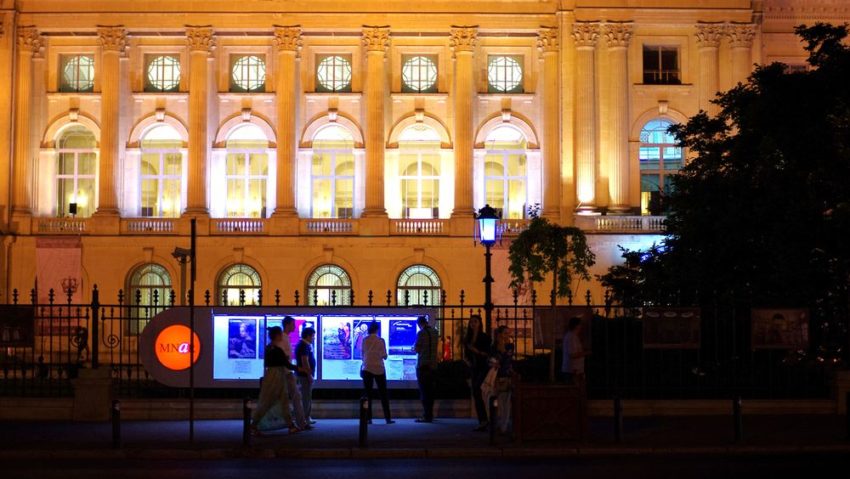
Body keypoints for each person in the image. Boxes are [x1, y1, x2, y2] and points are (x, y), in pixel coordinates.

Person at [250, 326, 299, 435]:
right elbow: (287, 365)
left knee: (279, 400)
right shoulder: (277, 350)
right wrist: (300, 368)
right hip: (277, 376)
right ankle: (253, 426)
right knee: (272, 401)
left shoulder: (268, 348)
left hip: (271, 375)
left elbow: (268, 363)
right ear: (277, 335)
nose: (282, 336)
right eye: (280, 334)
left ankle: (290, 425)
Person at [361, 321, 395, 424]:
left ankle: (368, 418)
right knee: (383, 394)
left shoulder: (364, 340)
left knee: (368, 394)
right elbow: (384, 356)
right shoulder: (381, 340)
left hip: (367, 368)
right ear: (377, 330)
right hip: (379, 369)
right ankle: (387, 418)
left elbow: (362, 354)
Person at [463, 314, 491, 431]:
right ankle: (483, 420)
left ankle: (484, 420)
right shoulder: (468, 338)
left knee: (476, 389)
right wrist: (467, 361)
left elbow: (487, 353)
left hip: (483, 366)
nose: (473, 324)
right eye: (471, 322)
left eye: (475, 322)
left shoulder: (484, 337)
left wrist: (476, 351)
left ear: (480, 323)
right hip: (473, 367)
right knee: (475, 392)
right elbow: (466, 354)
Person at [281, 316, 310, 430]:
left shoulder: (286, 337)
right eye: (293, 324)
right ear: (288, 325)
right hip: (284, 372)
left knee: (295, 396)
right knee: (292, 397)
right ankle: (297, 423)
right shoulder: (283, 338)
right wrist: (298, 368)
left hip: (288, 372)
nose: (295, 326)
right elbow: (283, 357)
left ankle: (299, 423)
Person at [413, 315, 439, 423]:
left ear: (419, 324)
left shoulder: (421, 333)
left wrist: (414, 347)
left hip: (423, 366)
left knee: (424, 392)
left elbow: (417, 349)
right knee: (431, 392)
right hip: (433, 366)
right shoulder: (435, 332)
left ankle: (426, 416)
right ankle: (430, 414)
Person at [491, 325, 514, 434]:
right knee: (497, 403)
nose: (507, 335)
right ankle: (498, 424)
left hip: (505, 377)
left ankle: (503, 426)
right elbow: (492, 360)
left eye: (508, 333)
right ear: (499, 335)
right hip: (496, 377)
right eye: (505, 333)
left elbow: (507, 362)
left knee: (505, 403)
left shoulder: (509, 346)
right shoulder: (495, 347)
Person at [295, 327, 317, 426]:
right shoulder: (304, 346)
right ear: (308, 336)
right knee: (306, 397)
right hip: (304, 376)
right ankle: (305, 418)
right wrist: (309, 375)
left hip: (303, 375)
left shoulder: (304, 345)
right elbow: (305, 360)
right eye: (313, 336)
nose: (313, 338)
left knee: (307, 396)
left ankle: (307, 417)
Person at [561, 317, 589, 387]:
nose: (581, 326)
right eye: (580, 324)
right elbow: (572, 354)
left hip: (575, 370)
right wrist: (586, 353)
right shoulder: (571, 337)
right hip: (573, 370)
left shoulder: (572, 336)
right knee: (575, 390)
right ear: (576, 326)